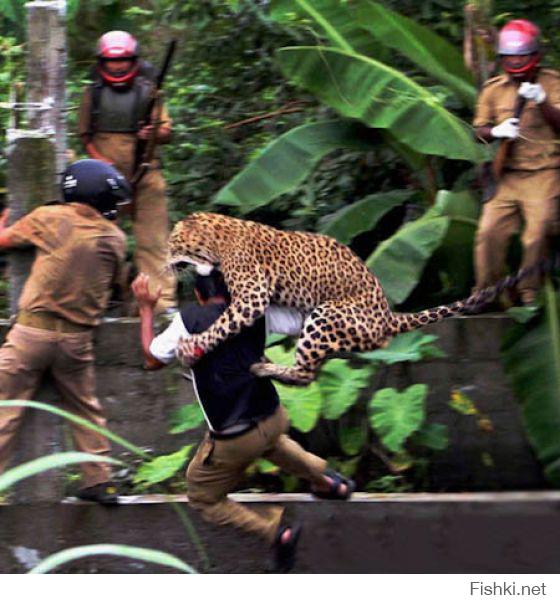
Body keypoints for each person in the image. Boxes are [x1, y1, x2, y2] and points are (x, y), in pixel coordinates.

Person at [132, 270, 354, 572]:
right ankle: (328, 481)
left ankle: (277, 534)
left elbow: (152, 358)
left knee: (202, 495)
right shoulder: (255, 309)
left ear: (199, 295)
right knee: (270, 442)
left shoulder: (190, 320)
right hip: (273, 416)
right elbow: (303, 320)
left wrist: (146, 308)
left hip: (235, 436)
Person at [0, 159, 130, 505]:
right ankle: (99, 480)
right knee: (86, 409)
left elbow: (5, 240)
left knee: (5, 409)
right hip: (77, 342)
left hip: (31, 334)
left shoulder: (50, 218)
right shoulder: (116, 238)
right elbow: (117, 283)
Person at [78, 30, 176, 314]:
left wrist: (152, 133)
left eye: (123, 61)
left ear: (133, 60)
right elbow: (85, 135)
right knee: (99, 241)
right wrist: (100, 162)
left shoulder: (150, 91)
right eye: (111, 62)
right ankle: (103, 300)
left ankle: (162, 304)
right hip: (104, 182)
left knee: (154, 242)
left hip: (146, 175)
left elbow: (167, 131)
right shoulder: (93, 94)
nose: (117, 67)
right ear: (102, 62)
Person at [473, 19, 560, 307]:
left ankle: (529, 292)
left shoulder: (552, 82)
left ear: (535, 55)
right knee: (488, 233)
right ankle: (486, 292)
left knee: (537, 232)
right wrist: (496, 131)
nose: (515, 61)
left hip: (543, 173)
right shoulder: (493, 89)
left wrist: (543, 101)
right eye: (509, 56)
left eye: (521, 55)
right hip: (506, 175)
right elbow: (479, 133)